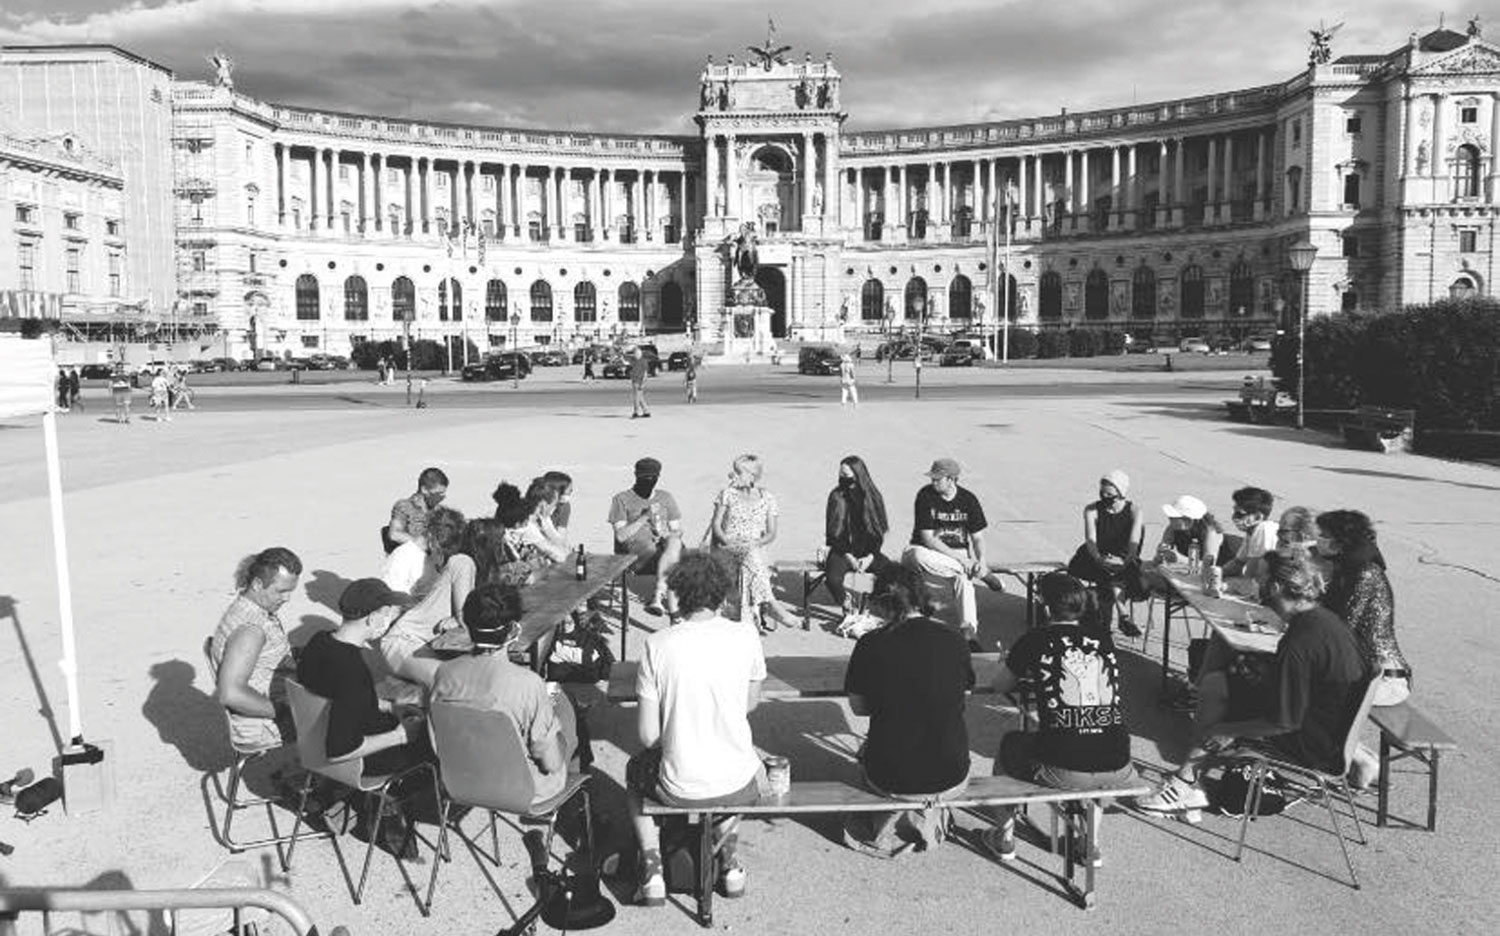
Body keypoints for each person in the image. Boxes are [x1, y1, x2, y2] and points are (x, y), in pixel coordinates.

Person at [1136, 549, 1371, 816]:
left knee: (1221, 716)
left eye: (1259, 579)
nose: (1254, 585)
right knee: (1218, 684)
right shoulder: (1323, 621)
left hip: (1313, 742)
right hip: (1325, 723)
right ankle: (1192, 776)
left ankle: (1187, 781)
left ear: (1276, 586)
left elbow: (1284, 721)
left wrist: (1228, 731)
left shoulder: (1300, 643)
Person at [627, 553, 766, 906]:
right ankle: (729, 861)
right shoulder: (746, 636)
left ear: (679, 595)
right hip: (737, 781)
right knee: (733, 768)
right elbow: (750, 703)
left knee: (634, 772)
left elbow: (648, 736)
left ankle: (652, 866)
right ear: (720, 594)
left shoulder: (658, 645)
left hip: (680, 784)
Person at [981, 573, 1137, 861]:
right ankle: (1090, 844)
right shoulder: (1103, 639)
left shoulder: (1034, 639)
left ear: (1047, 608)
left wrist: (1012, 663)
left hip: (1067, 769)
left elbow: (1000, 685)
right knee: (1095, 746)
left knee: (1011, 744)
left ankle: (1003, 837)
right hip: (1119, 762)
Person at [842, 565, 971, 857]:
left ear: (880, 602)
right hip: (951, 774)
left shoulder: (870, 643)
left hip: (891, 778)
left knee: (869, 749)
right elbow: (963, 694)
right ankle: (927, 818)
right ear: (921, 596)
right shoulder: (954, 639)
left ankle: (892, 817)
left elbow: (859, 708)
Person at [297, 577, 430, 858]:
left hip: (315, 743)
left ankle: (345, 801)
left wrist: (387, 707)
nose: (391, 618)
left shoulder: (318, 642)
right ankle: (386, 811)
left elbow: (339, 697)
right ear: (373, 617)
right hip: (359, 759)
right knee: (435, 742)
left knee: (409, 712)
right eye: (389, 612)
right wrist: (401, 735)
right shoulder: (353, 671)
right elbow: (340, 749)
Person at [430, 583, 581, 809]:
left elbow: (437, 744)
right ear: (513, 630)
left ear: (468, 627)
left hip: (462, 783)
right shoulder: (528, 684)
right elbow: (550, 763)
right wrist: (559, 724)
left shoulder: (444, 673)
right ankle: (578, 813)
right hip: (526, 792)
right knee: (569, 712)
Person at [901, 458, 1006, 648]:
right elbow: (928, 539)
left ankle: (970, 635)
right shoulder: (925, 496)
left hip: (957, 560)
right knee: (918, 556)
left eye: (937, 479)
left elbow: (978, 538)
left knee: (964, 579)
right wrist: (965, 561)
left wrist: (981, 560)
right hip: (924, 553)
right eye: (932, 478)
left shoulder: (968, 499)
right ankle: (982, 575)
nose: (932, 482)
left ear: (951, 479)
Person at [210, 547, 303, 750]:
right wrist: (284, 711)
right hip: (264, 724)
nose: (287, 598)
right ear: (257, 584)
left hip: (276, 702)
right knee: (351, 714)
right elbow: (230, 694)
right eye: (281, 591)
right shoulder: (251, 631)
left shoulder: (250, 608)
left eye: (290, 591)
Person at [1317, 510, 1411, 707]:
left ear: (1341, 542)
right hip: (1361, 670)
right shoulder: (1345, 569)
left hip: (1385, 679)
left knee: (1309, 693)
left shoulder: (1365, 574)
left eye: (1324, 536)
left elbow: (1342, 628)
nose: (1319, 540)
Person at [379, 507, 471, 688]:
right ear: (433, 539)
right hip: (406, 639)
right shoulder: (405, 557)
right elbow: (388, 605)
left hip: (437, 641)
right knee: (451, 682)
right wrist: (425, 604)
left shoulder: (450, 560)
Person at [711, 454, 798, 633]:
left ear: (752, 476)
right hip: (727, 545)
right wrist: (728, 541)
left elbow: (771, 533)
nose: (732, 475)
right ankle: (772, 605)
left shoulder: (767, 498)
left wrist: (754, 543)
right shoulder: (726, 494)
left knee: (750, 558)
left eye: (738, 472)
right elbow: (716, 525)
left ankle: (748, 618)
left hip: (753, 547)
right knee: (751, 558)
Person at [1067, 470, 1147, 637]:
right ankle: (1122, 613)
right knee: (1109, 575)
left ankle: (1106, 627)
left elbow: (1134, 543)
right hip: (1094, 555)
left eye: (1110, 494)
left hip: (1123, 555)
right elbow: (1091, 540)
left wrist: (1124, 561)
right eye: (1102, 492)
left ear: (1121, 493)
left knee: (1116, 575)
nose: (1105, 497)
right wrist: (1099, 559)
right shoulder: (1092, 510)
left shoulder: (1134, 511)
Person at [609, 457, 684, 617]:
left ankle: (658, 596)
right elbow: (621, 536)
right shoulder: (621, 499)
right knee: (671, 553)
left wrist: (665, 533)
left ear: (658, 477)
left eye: (652, 478)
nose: (649, 481)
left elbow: (677, 530)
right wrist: (644, 517)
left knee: (675, 544)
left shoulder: (666, 497)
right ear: (636, 475)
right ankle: (670, 607)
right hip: (639, 553)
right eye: (645, 478)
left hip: (664, 548)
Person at [824, 455, 889, 619]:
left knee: (891, 574)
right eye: (840, 475)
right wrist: (849, 557)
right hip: (843, 551)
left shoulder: (873, 496)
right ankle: (847, 603)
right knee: (832, 579)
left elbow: (878, 531)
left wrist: (870, 557)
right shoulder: (836, 496)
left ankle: (870, 604)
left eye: (846, 475)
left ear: (858, 474)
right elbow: (832, 533)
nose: (842, 479)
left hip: (868, 552)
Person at [1222, 486, 1279, 581]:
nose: (1234, 517)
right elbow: (1238, 562)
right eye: (1234, 512)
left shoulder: (1263, 529)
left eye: (1240, 514)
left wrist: (1234, 584)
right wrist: (1219, 572)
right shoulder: (1251, 532)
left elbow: (1252, 571)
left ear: (1257, 517)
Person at [1155, 494, 1224, 566]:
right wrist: (1161, 554)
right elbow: (1158, 560)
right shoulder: (1172, 528)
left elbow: (1209, 565)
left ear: (1188, 520)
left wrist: (1180, 559)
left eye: (1173, 517)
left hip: (1228, 561)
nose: (1170, 519)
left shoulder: (1211, 532)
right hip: (1196, 567)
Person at [388, 467, 448, 549]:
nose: (442, 497)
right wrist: (420, 543)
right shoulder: (405, 506)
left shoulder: (440, 511)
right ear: (425, 490)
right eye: (438, 493)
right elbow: (395, 534)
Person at [628, 346, 651, 418]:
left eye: (636, 354)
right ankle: (646, 411)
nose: (635, 355)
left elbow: (645, 374)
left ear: (640, 354)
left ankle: (636, 412)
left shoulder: (643, 362)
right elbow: (627, 359)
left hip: (639, 382)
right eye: (634, 354)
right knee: (640, 397)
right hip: (634, 381)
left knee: (636, 398)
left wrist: (642, 383)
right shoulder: (634, 360)